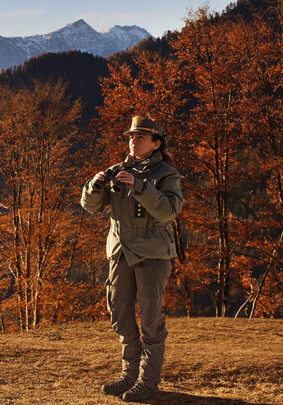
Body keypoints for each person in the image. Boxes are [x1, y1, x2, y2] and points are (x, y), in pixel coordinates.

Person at [80, 115, 183, 402]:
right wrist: (95, 185)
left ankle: (147, 382)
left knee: (151, 320)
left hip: (152, 255)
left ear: (156, 143)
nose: (133, 141)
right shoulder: (117, 170)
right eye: (130, 137)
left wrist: (139, 186)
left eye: (140, 137)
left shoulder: (166, 174)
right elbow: (91, 207)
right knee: (120, 315)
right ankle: (129, 375)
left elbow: (168, 211)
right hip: (120, 252)